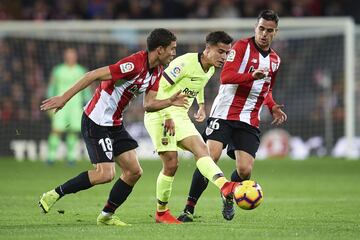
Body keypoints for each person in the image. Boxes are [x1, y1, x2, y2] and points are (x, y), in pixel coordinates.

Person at [38, 28, 188, 227]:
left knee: (134, 171)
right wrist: (63, 99)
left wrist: (169, 101)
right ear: (159, 50)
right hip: (96, 120)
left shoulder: (157, 71)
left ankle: (107, 215)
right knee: (105, 174)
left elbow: (149, 104)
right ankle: (55, 193)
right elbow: (92, 75)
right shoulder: (133, 64)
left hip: (114, 123)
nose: (174, 53)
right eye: (172, 49)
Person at [178, 9, 288, 222]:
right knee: (209, 158)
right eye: (261, 28)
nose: (264, 34)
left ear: (275, 32)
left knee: (245, 171)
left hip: (249, 118)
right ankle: (189, 208)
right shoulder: (240, 47)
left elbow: (266, 88)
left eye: (269, 30)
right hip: (224, 114)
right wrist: (250, 76)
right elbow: (226, 77)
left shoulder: (275, 60)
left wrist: (272, 105)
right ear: (255, 28)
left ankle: (228, 194)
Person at [144, 31, 239, 224]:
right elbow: (159, 86)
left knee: (201, 149)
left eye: (227, 53)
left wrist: (201, 104)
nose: (224, 57)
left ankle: (225, 186)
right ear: (207, 49)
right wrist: (167, 115)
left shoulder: (210, 68)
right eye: (220, 51)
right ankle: (161, 212)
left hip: (180, 115)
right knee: (171, 165)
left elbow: (198, 83)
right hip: (160, 114)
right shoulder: (185, 62)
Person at [46, 48, 91, 165]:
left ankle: (71, 157)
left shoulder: (81, 71)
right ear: (65, 56)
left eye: (73, 55)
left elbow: (86, 90)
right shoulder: (58, 70)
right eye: (68, 55)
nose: (71, 57)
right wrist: (50, 103)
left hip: (75, 106)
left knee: (73, 131)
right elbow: (52, 87)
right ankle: (51, 157)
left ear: (76, 57)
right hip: (60, 105)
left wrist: (87, 103)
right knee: (56, 130)